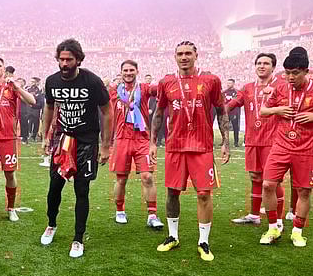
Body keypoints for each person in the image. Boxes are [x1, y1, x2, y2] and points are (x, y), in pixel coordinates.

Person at [150, 41, 231, 261]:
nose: (184, 57)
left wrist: (226, 141)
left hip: (202, 146)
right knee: (172, 192)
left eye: (188, 53)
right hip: (175, 146)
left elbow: (221, 111)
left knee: (204, 193)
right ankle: (172, 236)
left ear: (196, 55)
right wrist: (151, 142)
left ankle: (203, 241)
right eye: (180, 54)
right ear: (174, 57)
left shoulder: (210, 80)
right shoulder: (166, 82)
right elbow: (158, 114)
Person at [38, 38, 112, 258]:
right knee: (54, 187)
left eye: (69, 59)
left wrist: (106, 145)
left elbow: (107, 112)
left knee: (82, 190)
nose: (64, 63)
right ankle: (51, 223)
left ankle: (78, 238)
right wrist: (45, 136)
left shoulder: (93, 82)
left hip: (87, 142)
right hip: (63, 140)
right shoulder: (52, 81)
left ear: (79, 60)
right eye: (61, 59)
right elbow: (49, 106)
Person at [256, 47, 313, 249]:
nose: (290, 77)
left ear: (306, 71)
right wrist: (278, 110)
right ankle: (273, 227)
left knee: (304, 191)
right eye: (287, 73)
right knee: (267, 185)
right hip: (281, 145)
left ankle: (298, 231)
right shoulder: (280, 88)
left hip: (306, 148)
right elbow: (264, 111)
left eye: (295, 73)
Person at [227, 52, 282, 226]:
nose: (261, 66)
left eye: (266, 63)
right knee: (255, 176)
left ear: (273, 67)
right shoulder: (248, 88)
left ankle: (278, 220)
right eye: (259, 63)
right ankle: (254, 215)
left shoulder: (281, 86)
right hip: (252, 139)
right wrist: (219, 109)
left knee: (272, 180)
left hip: (273, 140)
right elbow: (233, 103)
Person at [109, 59, 163, 229]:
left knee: (147, 177)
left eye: (131, 70)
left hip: (141, 138)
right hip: (122, 139)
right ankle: (120, 211)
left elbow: (160, 89)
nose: (128, 73)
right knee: (121, 178)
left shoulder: (144, 89)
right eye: (125, 70)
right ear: (121, 72)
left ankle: (152, 215)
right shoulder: (113, 91)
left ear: (137, 71)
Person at [0, 58, 36, 221]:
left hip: (8, 138)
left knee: (9, 173)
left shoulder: (11, 87)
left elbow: (32, 101)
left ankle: (11, 208)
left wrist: (18, 87)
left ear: (4, 69)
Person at [223, 78, 241, 147]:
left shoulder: (237, 92)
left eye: (230, 83)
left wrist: (236, 112)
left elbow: (238, 102)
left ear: (233, 84)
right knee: (225, 128)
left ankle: (236, 142)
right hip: (226, 113)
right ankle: (225, 142)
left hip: (234, 113)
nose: (228, 84)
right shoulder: (224, 92)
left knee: (235, 128)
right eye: (227, 83)